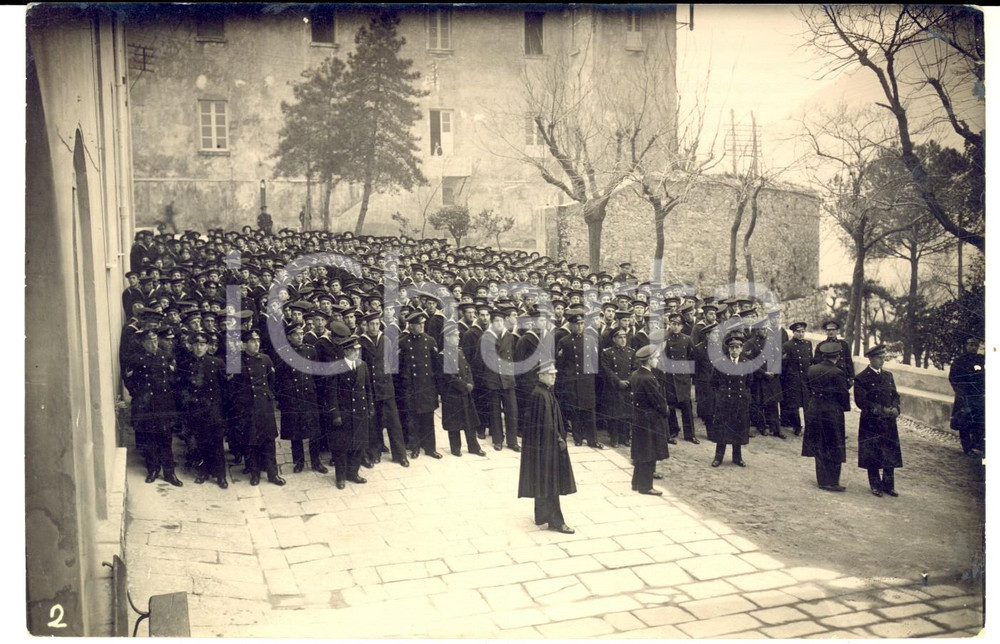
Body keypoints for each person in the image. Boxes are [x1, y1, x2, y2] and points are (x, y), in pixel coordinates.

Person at [517, 360, 576, 534]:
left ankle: (541, 514)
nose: (554, 376)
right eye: (550, 374)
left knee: (542, 480)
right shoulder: (541, 395)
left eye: (555, 373)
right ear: (540, 375)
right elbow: (547, 425)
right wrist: (558, 440)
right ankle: (557, 522)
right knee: (551, 483)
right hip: (548, 446)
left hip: (543, 446)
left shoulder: (542, 392)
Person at [125, 327, 183, 486]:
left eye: (155, 340)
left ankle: (170, 473)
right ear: (143, 343)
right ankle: (153, 470)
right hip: (145, 405)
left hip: (163, 404)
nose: (153, 344)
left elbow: (173, 379)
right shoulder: (136, 360)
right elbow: (129, 380)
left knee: (165, 439)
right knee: (149, 439)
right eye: (150, 341)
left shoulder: (166, 357)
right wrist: (138, 394)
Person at [229, 330, 285, 486]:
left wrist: (267, 396)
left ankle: (273, 474)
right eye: (252, 341)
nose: (256, 344)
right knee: (251, 441)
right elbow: (233, 387)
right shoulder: (237, 361)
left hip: (264, 406)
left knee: (269, 441)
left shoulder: (266, 359)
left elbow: (271, 381)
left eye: (258, 340)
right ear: (244, 344)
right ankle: (254, 474)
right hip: (247, 407)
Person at [275, 323, 328, 474]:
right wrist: (284, 399)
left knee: (314, 432)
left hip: (309, 397)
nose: (300, 337)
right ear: (289, 337)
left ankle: (316, 462)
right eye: (296, 334)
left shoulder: (310, 351)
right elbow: (278, 379)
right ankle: (298, 462)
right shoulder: (282, 353)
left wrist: (318, 395)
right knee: (295, 432)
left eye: (301, 333)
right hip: (292, 399)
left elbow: (317, 374)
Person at [853, 345, 902, 497]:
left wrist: (895, 408)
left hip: (888, 422)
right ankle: (875, 485)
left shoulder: (888, 376)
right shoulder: (861, 378)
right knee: (872, 453)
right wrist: (881, 410)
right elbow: (861, 401)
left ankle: (888, 485)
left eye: (883, 358)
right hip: (871, 422)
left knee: (889, 453)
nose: (882, 361)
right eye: (879, 358)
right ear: (871, 359)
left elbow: (895, 395)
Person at [802, 340, 851, 491]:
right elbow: (844, 394)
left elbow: (808, 387)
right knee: (834, 445)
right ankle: (833, 481)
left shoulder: (811, 369)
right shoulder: (838, 373)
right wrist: (842, 408)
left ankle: (822, 480)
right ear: (837, 356)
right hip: (832, 411)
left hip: (815, 408)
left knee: (819, 444)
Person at [182, 332, 228, 488]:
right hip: (196, 411)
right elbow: (183, 389)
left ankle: (221, 475)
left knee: (217, 443)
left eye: (202, 344)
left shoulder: (217, 363)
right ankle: (203, 472)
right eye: (195, 344)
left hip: (214, 410)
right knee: (201, 442)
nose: (199, 347)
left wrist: (222, 410)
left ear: (208, 346)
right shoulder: (186, 365)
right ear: (191, 347)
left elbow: (225, 388)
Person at [328, 336, 373, 489]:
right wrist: (336, 414)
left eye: (358, 349)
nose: (357, 352)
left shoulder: (363, 365)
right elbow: (332, 393)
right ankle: (340, 477)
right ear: (346, 351)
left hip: (360, 411)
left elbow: (368, 389)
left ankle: (353, 473)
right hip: (344, 413)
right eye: (355, 350)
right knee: (342, 447)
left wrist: (370, 407)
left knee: (359, 445)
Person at [438, 320, 487, 457]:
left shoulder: (460, 352)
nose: (459, 338)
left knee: (470, 421)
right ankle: (455, 448)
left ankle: (474, 447)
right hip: (452, 394)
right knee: (454, 423)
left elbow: (467, 368)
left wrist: (470, 382)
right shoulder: (443, 355)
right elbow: (450, 377)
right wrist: (465, 386)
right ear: (447, 338)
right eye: (455, 336)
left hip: (465, 393)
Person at [399, 311, 443, 459]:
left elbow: (436, 366)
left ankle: (430, 448)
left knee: (428, 418)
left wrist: (437, 388)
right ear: (411, 326)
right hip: (410, 387)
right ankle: (415, 447)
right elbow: (399, 368)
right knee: (413, 419)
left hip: (427, 386)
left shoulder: (430, 341)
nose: (422, 326)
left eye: (423, 323)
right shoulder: (403, 342)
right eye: (419, 324)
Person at [629, 345, 671, 494]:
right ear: (648, 360)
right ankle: (646, 487)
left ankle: (636, 483)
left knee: (641, 452)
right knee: (649, 452)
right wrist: (666, 410)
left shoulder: (636, 374)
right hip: (650, 419)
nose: (657, 360)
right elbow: (658, 401)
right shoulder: (648, 378)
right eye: (656, 358)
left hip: (639, 418)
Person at [709, 334, 751, 467]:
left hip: (739, 401)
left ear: (741, 349)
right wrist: (720, 396)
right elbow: (713, 382)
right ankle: (718, 457)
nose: (734, 350)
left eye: (737, 347)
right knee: (722, 430)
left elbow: (749, 382)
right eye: (732, 347)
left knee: (737, 429)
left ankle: (737, 458)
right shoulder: (720, 362)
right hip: (725, 401)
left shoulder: (747, 363)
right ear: (728, 349)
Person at [949, 334, 985, 456]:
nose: (973, 347)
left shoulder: (982, 360)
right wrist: (961, 393)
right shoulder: (959, 361)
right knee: (964, 422)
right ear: (966, 346)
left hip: (979, 396)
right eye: (971, 345)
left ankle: (978, 446)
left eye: (976, 345)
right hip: (964, 396)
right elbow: (953, 378)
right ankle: (967, 448)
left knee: (979, 422)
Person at [599, 328, 634, 447]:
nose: (623, 340)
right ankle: (614, 438)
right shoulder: (607, 353)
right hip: (613, 387)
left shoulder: (631, 352)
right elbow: (606, 370)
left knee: (627, 414)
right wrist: (618, 381)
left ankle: (625, 437)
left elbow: (635, 369)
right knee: (614, 414)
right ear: (614, 339)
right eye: (620, 337)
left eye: (624, 337)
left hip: (627, 387)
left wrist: (628, 381)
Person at [780, 321, 812, 435]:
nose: (801, 334)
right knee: (794, 405)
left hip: (805, 379)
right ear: (793, 332)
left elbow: (810, 361)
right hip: (793, 380)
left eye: (803, 331)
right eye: (798, 332)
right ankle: (797, 427)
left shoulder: (808, 344)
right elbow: (783, 364)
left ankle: (809, 427)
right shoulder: (787, 345)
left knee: (807, 404)